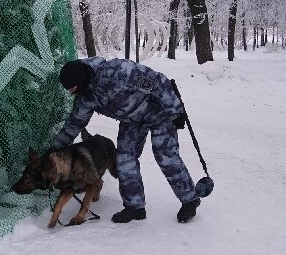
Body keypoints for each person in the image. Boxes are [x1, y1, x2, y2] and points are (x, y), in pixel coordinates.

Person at [52, 57, 201, 223]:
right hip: (132, 120)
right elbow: (74, 123)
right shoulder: (85, 96)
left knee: (165, 156)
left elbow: (158, 81)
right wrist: (56, 150)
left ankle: (190, 199)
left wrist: (175, 111)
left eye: (72, 89)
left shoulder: (118, 71)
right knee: (123, 159)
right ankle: (134, 207)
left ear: (81, 80)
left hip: (159, 112)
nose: (71, 93)